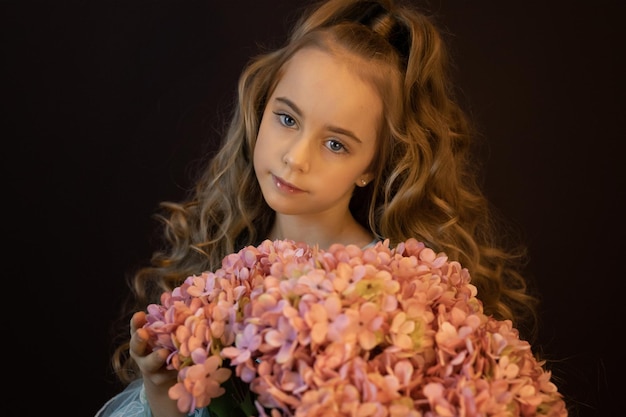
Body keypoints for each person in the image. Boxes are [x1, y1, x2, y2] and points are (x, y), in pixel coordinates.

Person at [96, 0, 548, 416]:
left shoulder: (394, 296)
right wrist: (161, 385)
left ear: (371, 166)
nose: (296, 157)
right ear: (262, 103)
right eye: (287, 118)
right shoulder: (221, 264)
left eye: (335, 144)